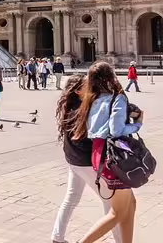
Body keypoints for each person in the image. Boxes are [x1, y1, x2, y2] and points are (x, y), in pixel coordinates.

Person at [70, 62, 142, 243]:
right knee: (116, 212)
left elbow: (92, 128)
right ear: (110, 76)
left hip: (99, 153)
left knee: (130, 204)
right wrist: (137, 123)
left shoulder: (91, 99)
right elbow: (116, 130)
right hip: (115, 156)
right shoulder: (116, 97)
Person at [51, 74, 123, 243]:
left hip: (73, 160)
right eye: (86, 85)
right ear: (78, 91)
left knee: (72, 197)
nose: (90, 87)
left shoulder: (69, 106)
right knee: (111, 203)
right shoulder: (86, 108)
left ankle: (57, 236)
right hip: (87, 162)